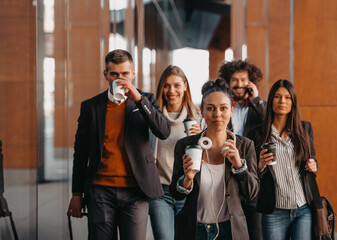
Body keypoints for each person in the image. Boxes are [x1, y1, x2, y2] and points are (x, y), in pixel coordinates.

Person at [67, 49, 170, 240]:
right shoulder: (91, 106)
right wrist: (76, 193)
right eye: (114, 74)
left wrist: (138, 99)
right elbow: (80, 152)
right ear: (105, 74)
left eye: (124, 73)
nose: (120, 78)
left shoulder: (146, 100)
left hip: (136, 191)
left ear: (133, 73)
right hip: (100, 190)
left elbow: (163, 132)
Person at [170, 79, 259, 240]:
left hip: (231, 230)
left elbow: (252, 193)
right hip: (194, 230)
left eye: (223, 108)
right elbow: (176, 194)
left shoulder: (245, 146)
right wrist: (187, 179)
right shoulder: (185, 145)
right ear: (202, 111)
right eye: (210, 108)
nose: (217, 114)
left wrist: (239, 165)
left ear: (231, 110)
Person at [252, 79, 318, 240]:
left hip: (303, 207)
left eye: (287, 97)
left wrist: (314, 165)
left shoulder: (304, 129)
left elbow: (313, 160)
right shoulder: (258, 134)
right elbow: (250, 173)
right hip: (274, 210)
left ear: (293, 102)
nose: (282, 101)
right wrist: (260, 166)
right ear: (271, 101)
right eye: (277, 97)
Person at [149, 65, 202, 240]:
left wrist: (198, 140)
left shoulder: (199, 118)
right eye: (166, 85)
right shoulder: (152, 118)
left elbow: (209, 156)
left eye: (177, 85)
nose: (172, 90)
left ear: (185, 86)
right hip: (160, 192)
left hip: (188, 190)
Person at [218, 59, 266, 240]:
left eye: (243, 80)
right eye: (235, 80)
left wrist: (256, 99)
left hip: (251, 173)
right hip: (226, 174)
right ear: (228, 83)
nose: (239, 84)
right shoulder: (222, 107)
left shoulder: (259, 107)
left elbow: (269, 124)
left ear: (251, 82)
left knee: (255, 232)